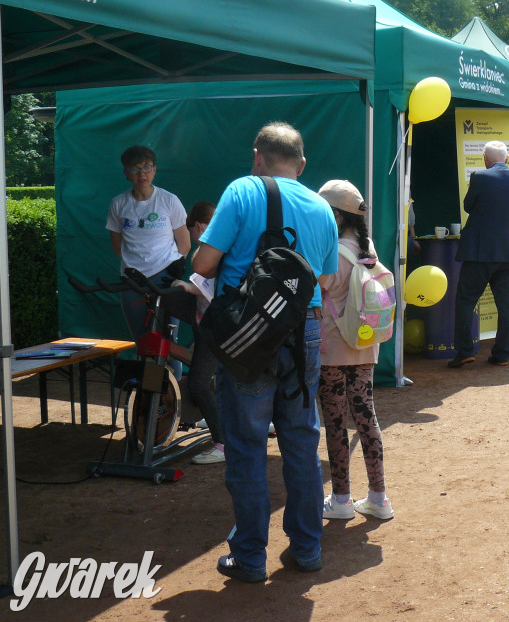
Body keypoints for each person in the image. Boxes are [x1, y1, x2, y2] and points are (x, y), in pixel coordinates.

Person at [192, 122, 338, 582]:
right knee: (300, 439)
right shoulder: (321, 206)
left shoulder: (241, 191)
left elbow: (202, 263)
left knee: (247, 445)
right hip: (305, 331)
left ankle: (250, 557)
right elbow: (328, 282)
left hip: (248, 336)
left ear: (258, 155)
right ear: (302, 163)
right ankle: (307, 549)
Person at [317, 180, 393, 522]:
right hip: (364, 343)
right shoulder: (367, 245)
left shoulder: (329, 251)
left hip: (333, 347)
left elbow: (320, 291)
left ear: (334, 214)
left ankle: (341, 499)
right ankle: (379, 497)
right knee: (366, 418)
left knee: (335, 423)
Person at [106, 145, 190, 375]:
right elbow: (117, 245)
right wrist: (137, 266)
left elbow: (184, 242)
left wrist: (174, 267)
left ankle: (174, 401)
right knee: (143, 342)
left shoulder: (169, 200)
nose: (141, 173)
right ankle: (149, 401)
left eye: (146, 167)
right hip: (132, 281)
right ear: (126, 173)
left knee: (167, 341)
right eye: (135, 168)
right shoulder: (119, 204)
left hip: (165, 279)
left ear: (154, 170)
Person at [446, 141, 509, 369]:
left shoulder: (480, 176)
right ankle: (502, 354)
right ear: (507, 158)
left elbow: (468, 206)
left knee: (465, 301)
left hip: (480, 251)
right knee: (506, 305)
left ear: (485, 158)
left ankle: (464, 352)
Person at [168, 200, 225, 465]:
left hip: (215, 327)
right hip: (211, 326)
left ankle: (222, 444)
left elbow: (214, 286)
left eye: (191, 230)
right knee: (219, 380)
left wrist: (188, 286)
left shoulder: (211, 248)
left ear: (199, 226)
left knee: (200, 383)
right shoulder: (220, 242)